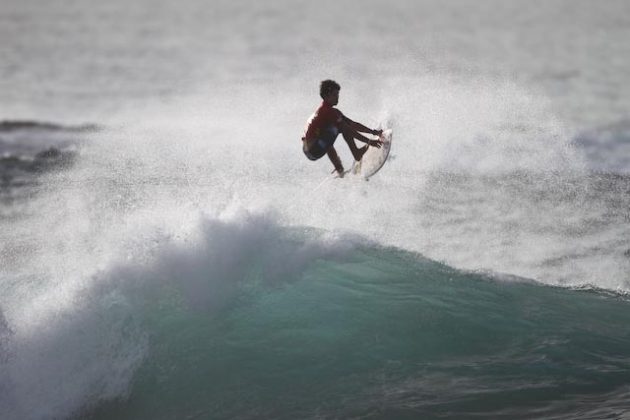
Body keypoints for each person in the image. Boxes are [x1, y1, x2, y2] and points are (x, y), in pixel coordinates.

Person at [302, 80, 383, 177]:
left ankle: (339, 167)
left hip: (313, 148)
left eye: (338, 94)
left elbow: (353, 124)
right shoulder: (327, 111)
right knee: (340, 126)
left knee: (337, 127)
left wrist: (373, 132)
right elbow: (348, 128)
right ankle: (356, 154)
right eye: (334, 95)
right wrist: (370, 141)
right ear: (327, 96)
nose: (337, 98)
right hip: (314, 149)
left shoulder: (331, 112)